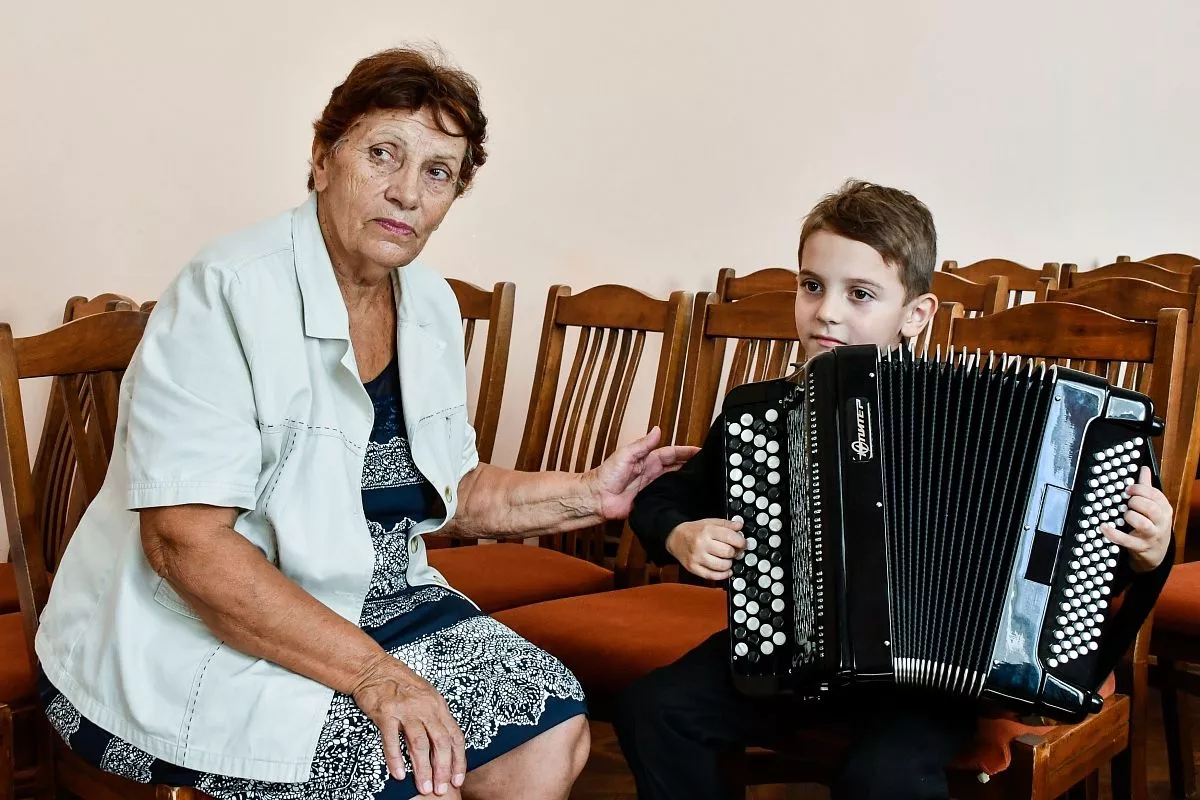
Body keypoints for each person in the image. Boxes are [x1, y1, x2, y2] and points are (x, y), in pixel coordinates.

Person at [35, 47, 697, 800]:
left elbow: (454, 485)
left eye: (438, 172)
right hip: (206, 631)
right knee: (412, 774)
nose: (407, 192)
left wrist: (590, 494)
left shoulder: (428, 302)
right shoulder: (227, 291)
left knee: (550, 731)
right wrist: (377, 677)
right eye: (383, 153)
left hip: (382, 600)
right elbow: (184, 544)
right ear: (322, 158)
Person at [614, 180, 1176, 800]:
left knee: (885, 776)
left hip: (930, 689)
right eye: (811, 285)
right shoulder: (767, 415)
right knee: (657, 709)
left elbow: (1087, 560)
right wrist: (679, 531)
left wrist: (1149, 549)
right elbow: (661, 499)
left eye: (860, 294)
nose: (827, 311)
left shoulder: (968, 416)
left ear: (916, 314)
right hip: (790, 652)